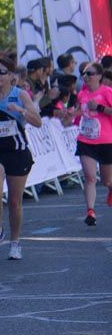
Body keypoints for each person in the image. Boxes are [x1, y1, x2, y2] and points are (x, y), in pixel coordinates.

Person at [0, 57, 42, 261]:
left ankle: (15, 242)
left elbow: (38, 122)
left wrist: (22, 110)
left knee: (14, 202)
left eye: (2, 72)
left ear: (11, 76)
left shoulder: (20, 95)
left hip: (17, 150)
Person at [72, 62, 112, 226]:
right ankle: (90, 211)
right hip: (85, 140)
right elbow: (80, 113)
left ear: (99, 76)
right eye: (84, 74)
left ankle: (110, 188)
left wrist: (100, 108)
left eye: (90, 74)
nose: (86, 77)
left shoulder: (107, 92)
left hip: (106, 141)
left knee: (106, 180)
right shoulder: (81, 94)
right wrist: (71, 117)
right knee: (89, 177)